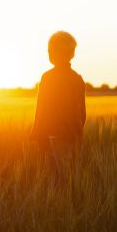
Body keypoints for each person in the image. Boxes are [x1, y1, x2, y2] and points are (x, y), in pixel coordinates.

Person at [29, 31, 87, 181]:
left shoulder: (48, 78)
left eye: (49, 50)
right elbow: (82, 114)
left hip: (52, 138)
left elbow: (42, 110)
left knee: (53, 178)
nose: (48, 53)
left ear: (53, 53)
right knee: (69, 178)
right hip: (73, 138)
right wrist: (77, 134)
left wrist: (37, 135)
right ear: (72, 53)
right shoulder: (77, 79)